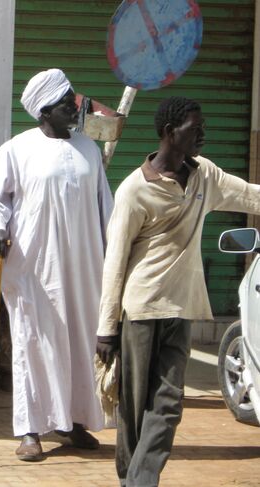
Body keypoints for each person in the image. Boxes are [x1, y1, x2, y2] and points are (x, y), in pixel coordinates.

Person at [96, 96, 260, 486]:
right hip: (141, 310)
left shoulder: (206, 176)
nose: (203, 134)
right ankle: (131, 478)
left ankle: (140, 481)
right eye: (194, 128)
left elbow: (251, 195)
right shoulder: (134, 191)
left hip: (182, 308)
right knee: (134, 409)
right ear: (170, 133)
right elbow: (115, 262)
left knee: (168, 404)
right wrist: (107, 328)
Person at [0, 68, 113, 462]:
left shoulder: (89, 149)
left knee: (80, 342)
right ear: (44, 112)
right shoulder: (16, 150)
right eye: (66, 102)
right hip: (35, 266)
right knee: (34, 341)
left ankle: (72, 424)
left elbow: (106, 207)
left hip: (85, 266)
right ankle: (30, 430)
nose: (76, 106)